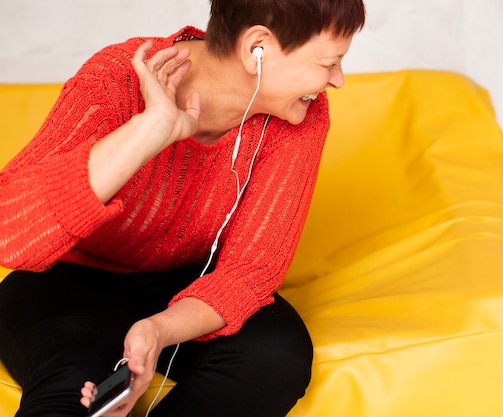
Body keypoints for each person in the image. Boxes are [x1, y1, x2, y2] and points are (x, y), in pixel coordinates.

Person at [0, 0, 366, 416]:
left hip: (190, 290)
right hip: (68, 281)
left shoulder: (302, 115)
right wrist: (150, 129)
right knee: (73, 382)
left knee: (274, 358)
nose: (337, 80)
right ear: (256, 48)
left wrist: (159, 330)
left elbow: (251, 272)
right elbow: (10, 233)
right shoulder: (117, 76)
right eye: (329, 62)